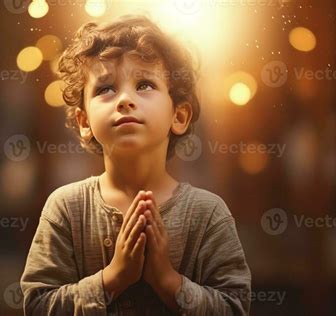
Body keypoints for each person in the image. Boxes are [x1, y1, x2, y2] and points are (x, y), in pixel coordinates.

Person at [21, 14, 251, 315]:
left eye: (144, 85)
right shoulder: (66, 208)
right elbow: (38, 305)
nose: (125, 99)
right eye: (105, 89)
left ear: (179, 116)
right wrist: (113, 277)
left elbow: (235, 307)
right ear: (83, 121)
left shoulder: (207, 214)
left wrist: (169, 282)